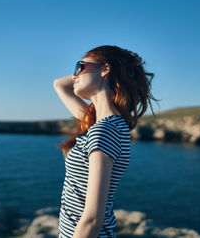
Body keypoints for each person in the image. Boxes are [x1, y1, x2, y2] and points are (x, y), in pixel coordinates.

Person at [53, 45, 159, 237]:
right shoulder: (98, 123)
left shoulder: (105, 131)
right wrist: (122, 65)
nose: (75, 75)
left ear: (105, 70)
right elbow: (59, 84)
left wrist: (116, 66)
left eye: (80, 66)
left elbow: (93, 219)